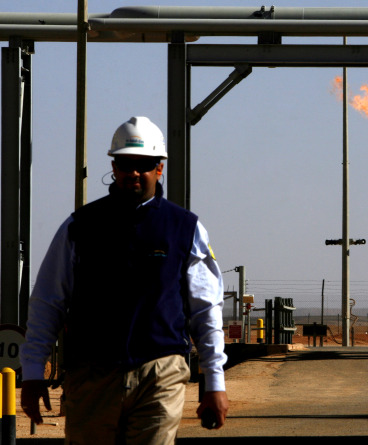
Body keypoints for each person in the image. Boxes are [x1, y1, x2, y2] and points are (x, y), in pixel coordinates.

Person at [20, 116, 228, 443]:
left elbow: (206, 310)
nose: (134, 172)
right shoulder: (79, 228)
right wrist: (33, 373)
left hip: (160, 375)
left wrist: (215, 382)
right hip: (92, 377)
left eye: (143, 164)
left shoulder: (185, 229)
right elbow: (48, 303)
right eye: (125, 163)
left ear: (159, 168)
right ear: (114, 167)